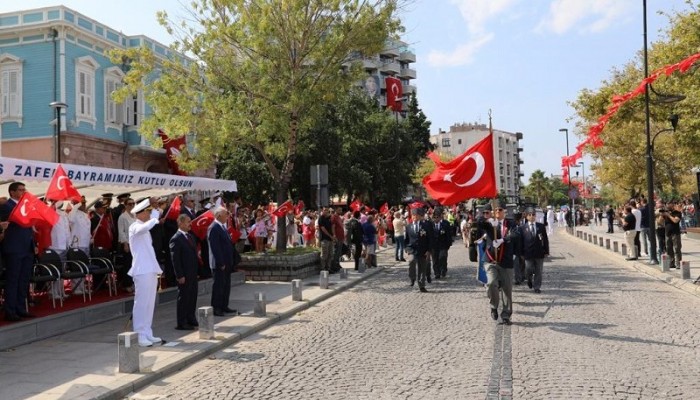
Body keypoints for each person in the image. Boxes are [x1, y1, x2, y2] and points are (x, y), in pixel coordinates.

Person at [128, 198, 164, 347]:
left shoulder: (145, 226)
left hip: (150, 268)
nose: (149, 215)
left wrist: (155, 211)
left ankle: (147, 332)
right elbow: (144, 228)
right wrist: (155, 217)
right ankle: (139, 333)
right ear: (140, 213)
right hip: (141, 270)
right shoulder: (135, 227)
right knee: (141, 303)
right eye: (148, 212)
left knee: (150, 303)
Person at [0, 182, 37, 321]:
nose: (23, 192)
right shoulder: (6, 207)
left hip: (27, 248)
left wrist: (33, 244)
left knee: (24, 280)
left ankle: (21, 309)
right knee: (13, 280)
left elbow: (28, 227)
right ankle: (10, 311)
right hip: (14, 249)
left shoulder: (25, 206)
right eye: (20, 190)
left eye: (24, 189)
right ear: (12, 192)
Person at [484, 204, 518, 325]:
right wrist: (487, 219)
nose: (497, 212)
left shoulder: (510, 223)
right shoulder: (489, 223)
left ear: (504, 211)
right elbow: (478, 224)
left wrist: (503, 240)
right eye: (495, 210)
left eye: (499, 210)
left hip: (506, 260)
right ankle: (493, 306)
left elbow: (515, 235)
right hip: (491, 260)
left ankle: (506, 315)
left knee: (507, 289)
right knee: (491, 283)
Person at [169, 214, 199, 330]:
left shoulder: (190, 236)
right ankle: (182, 322)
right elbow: (175, 259)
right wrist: (180, 275)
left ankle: (191, 317)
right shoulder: (176, 238)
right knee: (184, 297)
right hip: (184, 274)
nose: (190, 224)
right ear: (180, 223)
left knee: (192, 296)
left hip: (192, 272)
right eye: (187, 222)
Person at [208, 206, 239, 316]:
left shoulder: (222, 227)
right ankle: (216, 307)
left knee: (226, 285)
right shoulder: (214, 228)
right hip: (219, 264)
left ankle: (224, 305)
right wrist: (220, 263)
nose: (228, 216)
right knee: (219, 286)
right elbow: (215, 247)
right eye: (226, 214)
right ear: (219, 215)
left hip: (227, 262)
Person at [405, 207, 434, 292]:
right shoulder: (408, 226)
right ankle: (412, 278)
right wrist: (407, 249)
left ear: (420, 216)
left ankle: (422, 285)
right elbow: (406, 239)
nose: (415, 217)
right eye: (413, 215)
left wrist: (428, 250)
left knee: (422, 268)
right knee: (411, 261)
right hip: (412, 249)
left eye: (417, 215)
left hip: (423, 250)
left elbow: (430, 238)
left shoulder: (425, 226)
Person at [521, 208, 549, 293]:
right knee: (528, 269)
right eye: (530, 215)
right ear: (526, 216)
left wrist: (546, 251)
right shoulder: (523, 228)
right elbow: (521, 241)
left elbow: (545, 239)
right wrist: (521, 253)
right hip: (528, 253)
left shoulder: (540, 226)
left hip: (539, 252)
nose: (532, 216)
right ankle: (529, 279)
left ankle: (537, 287)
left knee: (539, 271)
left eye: (533, 215)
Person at [430, 207, 453, 279]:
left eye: (437, 217)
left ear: (440, 217)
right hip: (433, 245)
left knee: (442, 257)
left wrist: (448, 244)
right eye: (434, 217)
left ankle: (443, 269)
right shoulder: (430, 224)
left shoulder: (445, 224)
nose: (436, 219)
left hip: (443, 245)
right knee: (435, 259)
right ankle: (437, 273)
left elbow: (449, 235)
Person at [664, 202, 683, 269]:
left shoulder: (677, 213)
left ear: (673, 205)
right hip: (667, 233)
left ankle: (678, 264)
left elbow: (675, 221)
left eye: (669, 204)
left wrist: (669, 215)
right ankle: (671, 263)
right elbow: (659, 222)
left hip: (675, 233)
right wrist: (661, 215)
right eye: (667, 204)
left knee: (677, 249)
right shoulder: (666, 213)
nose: (668, 205)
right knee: (669, 249)